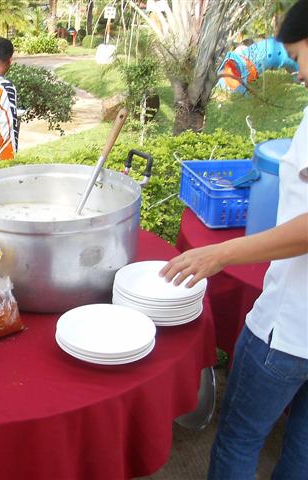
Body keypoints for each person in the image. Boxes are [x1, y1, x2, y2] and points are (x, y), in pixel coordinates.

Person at [160, 2, 308, 478]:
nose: (298, 73)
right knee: (303, 446)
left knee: (240, 437)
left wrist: (222, 253)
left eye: (299, 56)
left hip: (291, 327)